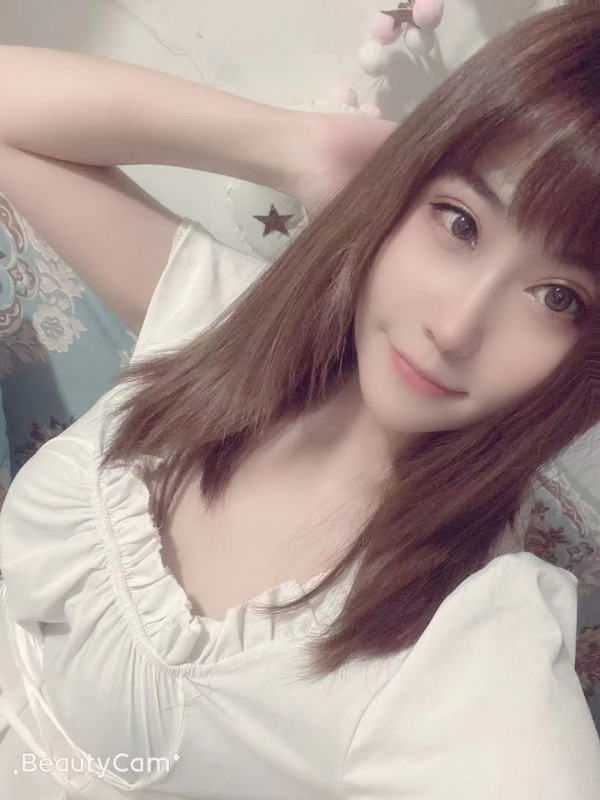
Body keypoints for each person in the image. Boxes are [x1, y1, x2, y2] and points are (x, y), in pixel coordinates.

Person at [0, 3, 599, 798]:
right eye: (459, 222)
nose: (455, 327)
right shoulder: (225, 317)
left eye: (558, 298)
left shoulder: (468, 647)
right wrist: (293, 145)